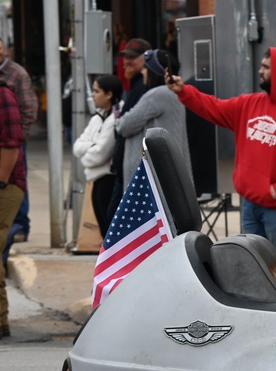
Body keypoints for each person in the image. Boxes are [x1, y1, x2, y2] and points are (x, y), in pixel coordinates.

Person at [166, 47, 276, 254]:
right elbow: (213, 107)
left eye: (266, 67)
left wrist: (275, 190)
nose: (260, 71)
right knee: (251, 264)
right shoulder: (249, 104)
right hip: (249, 205)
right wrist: (183, 91)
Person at [115, 48, 192, 191]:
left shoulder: (156, 95)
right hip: (167, 172)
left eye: (146, 68)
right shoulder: (174, 94)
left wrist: (118, 119)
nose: (143, 72)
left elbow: (125, 125)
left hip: (151, 177)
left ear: (155, 72)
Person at [107, 37, 151, 225]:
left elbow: (125, 126)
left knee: (118, 221)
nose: (127, 61)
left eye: (133, 57)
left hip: (133, 168)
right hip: (123, 167)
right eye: (125, 57)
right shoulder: (134, 86)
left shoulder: (145, 88)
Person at [72, 75, 123, 238]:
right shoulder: (97, 117)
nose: (92, 95)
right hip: (96, 179)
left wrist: (86, 155)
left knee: (110, 230)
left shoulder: (116, 117)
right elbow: (77, 145)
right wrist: (92, 147)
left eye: (96, 91)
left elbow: (100, 154)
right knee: (103, 230)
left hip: (109, 179)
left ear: (109, 94)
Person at [0, 38, 38, 248]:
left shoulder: (16, 74)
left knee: (14, 183)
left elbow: (29, 107)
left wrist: (18, 136)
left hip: (12, 139)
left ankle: (21, 225)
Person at [0, 78, 25, 337]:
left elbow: (11, 143)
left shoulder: (3, 95)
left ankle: (1, 321)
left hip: (6, 184)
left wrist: (1, 181)